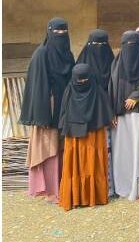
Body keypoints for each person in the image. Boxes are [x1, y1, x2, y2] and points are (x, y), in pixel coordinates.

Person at [20, 17, 75, 203]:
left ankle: (62, 186)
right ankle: (48, 190)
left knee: (61, 148)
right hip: (47, 112)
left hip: (65, 109)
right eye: (56, 32)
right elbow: (36, 87)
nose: (61, 36)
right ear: (49, 32)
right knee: (48, 148)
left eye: (64, 32)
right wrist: (42, 113)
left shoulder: (68, 55)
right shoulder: (40, 54)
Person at [58, 63, 113, 210]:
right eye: (79, 80)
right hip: (75, 136)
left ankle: (93, 196)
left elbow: (105, 111)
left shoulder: (95, 91)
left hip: (93, 134)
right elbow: (63, 114)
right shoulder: (70, 91)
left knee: (92, 162)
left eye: (85, 80)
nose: (82, 83)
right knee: (76, 164)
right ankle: (77, 197)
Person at [109, 31, 139, 203]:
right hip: (120, 117)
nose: (130, 48)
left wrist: (136, 96)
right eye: (126, 44)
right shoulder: (116, 64)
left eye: (133, 44)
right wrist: (112, 112)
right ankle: (124, 186)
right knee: (123, 152)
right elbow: (111, 89)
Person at [75, 29, 116, 197]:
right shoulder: (82, 64)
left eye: (103, 44)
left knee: (107, 152)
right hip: (87, 118)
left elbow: (115, 90)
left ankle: (108, 188)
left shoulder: (112, 64)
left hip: (107, 116)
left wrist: (111, 112)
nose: (100, 48)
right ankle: (89, 190)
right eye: (96, 44)